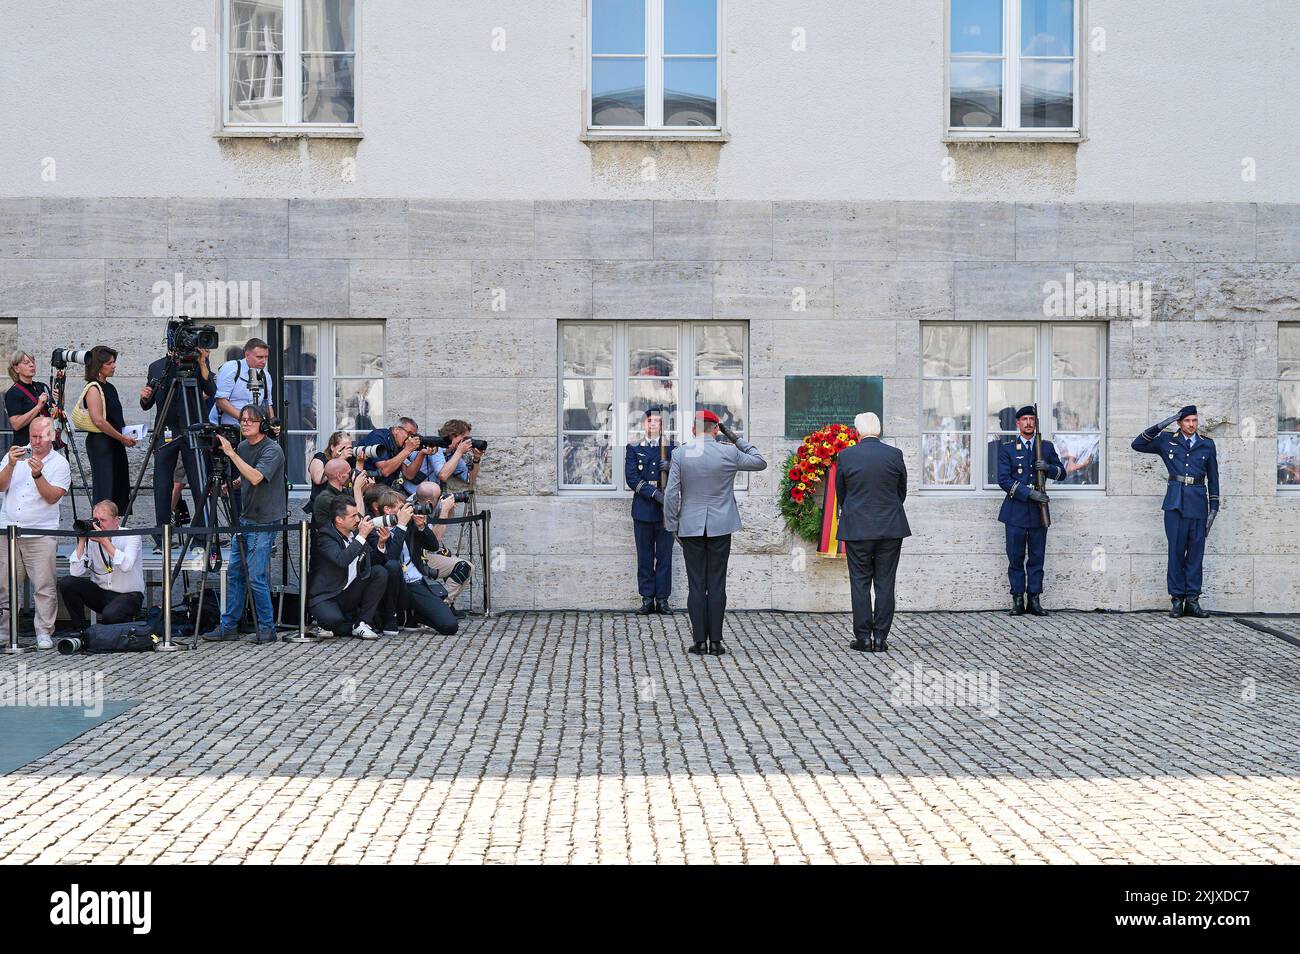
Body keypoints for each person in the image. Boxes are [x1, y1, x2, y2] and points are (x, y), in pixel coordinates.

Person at [663, 410, 767, 656]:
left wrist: (671, 525)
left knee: (696, 584)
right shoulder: (729, 451)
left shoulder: (681, 454)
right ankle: (717, 642)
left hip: (690, 526)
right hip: (721, 525)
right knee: (717, 584)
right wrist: (734, 438)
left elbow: (671, 494)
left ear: (693, 430)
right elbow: (759, 461)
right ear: (715, 429)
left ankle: (699, 641)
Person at [201, 405, 287, 645]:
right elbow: (245, 477)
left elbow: (257, 477)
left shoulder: (273, 450)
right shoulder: (241, 447)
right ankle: (228, 626)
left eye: (251, 420)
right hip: (246, 517)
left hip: (265, 519)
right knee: (236, 573)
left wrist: (231, 454)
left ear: (262, 424)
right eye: (243, 420)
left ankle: (267, 628)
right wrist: (234, 485)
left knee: (256, 574)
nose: (245, 423)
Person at [1132, 405, 1220, 619]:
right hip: (1175, 504)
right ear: (1180, 422)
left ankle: (1192, 600)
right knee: (1176, 553)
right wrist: (1163, 423)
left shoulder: (1207, 445)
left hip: (1198, 504)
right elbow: (1138, 444)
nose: (1191, 424)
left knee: (1196, 555)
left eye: (1194, 420)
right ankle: (1177, 600)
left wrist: (1214, 506)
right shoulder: (1167, 440)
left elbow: (1214, 477)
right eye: (1187, 420)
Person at [834, 412, 911, 652]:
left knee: (860, 583)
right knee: (885, 583)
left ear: (857, 431)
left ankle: (863, 637)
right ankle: (880, 637)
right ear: (879, 429)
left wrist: (855, 511)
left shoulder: (846, 456)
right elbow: (902, 491)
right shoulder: (894, 454)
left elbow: (841, 493)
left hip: (857, 527)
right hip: (890, 526)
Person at [0, 418, 71, 649]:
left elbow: (52, 497)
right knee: (5, 586)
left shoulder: (59, 463)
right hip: (9, 530)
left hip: (41, 532)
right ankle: (5, 631)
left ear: (51, 436)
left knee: (44, 585)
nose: (36, 441)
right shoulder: (15, 456)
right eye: (33, 436)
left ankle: (43, 632)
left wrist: (38, 476)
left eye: (41, 437)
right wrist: (10, 465)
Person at [139, 347, 215, 547]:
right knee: (162, 484)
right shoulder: (157, 367)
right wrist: (145, 396)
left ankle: (201, 535)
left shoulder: (197, 365)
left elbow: (211, 391)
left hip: (193, 428)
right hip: (167, 430)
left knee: (199, 482)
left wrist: (202, 363)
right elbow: (147, 403)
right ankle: (162, 533)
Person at [997, 405, 1067, 617]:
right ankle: (1018, 599)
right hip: (1016, 511)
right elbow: (1004, 480)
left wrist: (1047, 468)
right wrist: (1029, 494)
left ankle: (1034, 599)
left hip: (1038, 512)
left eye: (1031, 419)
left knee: (1037, 557)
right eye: (1024, 419)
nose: (1028, 423)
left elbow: (1061, 473)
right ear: (1017, 423)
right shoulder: (1007, 449)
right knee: (1015, 557)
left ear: (1035, 423)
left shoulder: (1045, 447)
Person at [57, 500, 145, 629]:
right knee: (67, 583)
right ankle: (81, 630)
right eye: (95, 520)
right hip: (102, 593)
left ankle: (123, 630)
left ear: (116, 520)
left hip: (129, 595)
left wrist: (105, 542)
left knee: (110, 615)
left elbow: (126, 566)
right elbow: (76, 572)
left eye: (103, 520)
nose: (98, 525)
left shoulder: (131, 536)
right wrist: (82, 541)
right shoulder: (92, 539)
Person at [308, 496, 385, 640]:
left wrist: (380, 544)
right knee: (333, 620)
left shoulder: (355, 533)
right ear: (339, 520)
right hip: (328, 594)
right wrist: (362, 536)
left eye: (357, 515)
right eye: (353, 516)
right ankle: (347, 626)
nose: (358, 520)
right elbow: (342, 560)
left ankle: (362, 623)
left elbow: (370, 562)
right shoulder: (325, 536)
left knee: (379, 572)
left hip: (349, 591)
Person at [625, 406, 675, 614]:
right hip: (644, 510)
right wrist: (654, 494)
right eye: (649, 421)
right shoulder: (634, 448)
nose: (653, 424)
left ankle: (662, 599)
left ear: (662, 425)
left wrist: (671, 467)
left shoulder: (672, 449)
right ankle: (647, 598)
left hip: (665, 513)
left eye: (657, 421)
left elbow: (683, 478)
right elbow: (632, 479)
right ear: (643, 424)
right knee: (645, 556)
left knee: (664, 556)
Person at [77, 345, 135, 516]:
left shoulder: (109, 387)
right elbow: (99, 421)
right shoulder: (93, 388)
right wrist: (121, 438)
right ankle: (101, 531)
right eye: (109, 363)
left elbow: (114, 418)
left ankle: (112, 529)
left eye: (113, 362)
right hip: (102, 444)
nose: (113, 366)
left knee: (117, 486)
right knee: (105, 488)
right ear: (99, 366)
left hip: (114, 443)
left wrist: (127, 435)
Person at [409, 481, 473, 617]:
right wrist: (443, 510)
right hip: (419, 558)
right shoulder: (415, 510)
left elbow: (446, 521)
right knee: (464, 567)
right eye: (439, 498)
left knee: (460, 563)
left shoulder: (421, 501)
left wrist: (449, 509)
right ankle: (440, 606)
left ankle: (446, 604)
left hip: (427, 555)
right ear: (429, 501)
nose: (441, 499)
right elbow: (434, 541)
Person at [364, 488, 413, 636]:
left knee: (448, 625)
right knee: (392, 566)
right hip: (387, 588)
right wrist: (382, 544)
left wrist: (423, 525)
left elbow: (433, 545)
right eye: (400, 508)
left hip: (412, 582)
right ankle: (391, 617)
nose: (405, 511)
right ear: (387, 510)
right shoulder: (374, 528)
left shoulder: (409, 523)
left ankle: (413, 615)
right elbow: (390, 558)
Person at [210, 338, 274, 426]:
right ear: (247, 355)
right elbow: (221, 401)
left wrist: (272, 424)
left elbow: (267, 403)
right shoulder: (231, 368)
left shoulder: (266, 375)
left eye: (266, 357)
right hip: (227, 428)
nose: (264, 361)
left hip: (254, 431)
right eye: (259, 357)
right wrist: (246, 419)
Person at [5, 350, 53, 447]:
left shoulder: (42, 387)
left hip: (47, 443)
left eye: (33, 361)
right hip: (26, 445)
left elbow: (54, 413)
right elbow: (16, 424)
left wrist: (60, 399)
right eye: (26, 362)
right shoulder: (13, 392)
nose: (32, 365)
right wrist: (38, 407)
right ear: (16, 368)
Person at [357, 418, 421, 487]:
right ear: (397, 430)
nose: (410, 439)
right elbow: (384, 470)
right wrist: (407, 450)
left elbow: (408, 475)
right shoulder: (378, 437)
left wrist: (422, 453)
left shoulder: (400, 445)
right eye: (409, 434)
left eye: (413, 436)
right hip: (368, 487)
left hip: (387, 488)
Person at [311, 458, 370, 531]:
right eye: (349, 473)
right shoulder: (324, 499)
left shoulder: (345, 492)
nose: (351, 476)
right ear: (339, 476)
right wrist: (357, 489)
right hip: (334, 540)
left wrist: (364, 489)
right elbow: (357, 522)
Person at [306, 430, 353, 513]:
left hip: (344, 508)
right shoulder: (320, 458)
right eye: (343, 447)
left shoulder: (350, 461)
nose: (347, 450)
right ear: (332, 447)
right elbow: (318, 480)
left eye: (349, 447)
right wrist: (339, 460)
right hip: (323, 508)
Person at [429, 420, 483, 487]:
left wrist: (476, 459)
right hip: (415, 493)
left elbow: (470, 480)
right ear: (453, 436)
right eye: (465, 438)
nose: (467, 441)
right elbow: (443, 476)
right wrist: (459, 452)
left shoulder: (453, 454)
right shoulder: (435, 447)